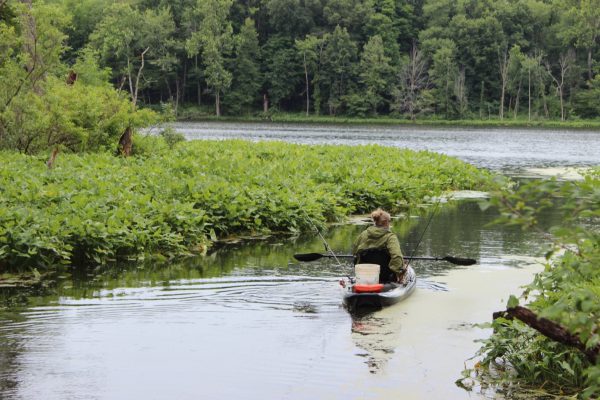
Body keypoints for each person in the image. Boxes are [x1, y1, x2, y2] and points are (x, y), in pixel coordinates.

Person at [352, 208, 406, 284]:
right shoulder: (390, 237)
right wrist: (399, 273)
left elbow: (355, 253)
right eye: (389, 221)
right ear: (385, 222)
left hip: (365, 275)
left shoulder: (363, 234)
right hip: (386, 276)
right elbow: (396, 256)